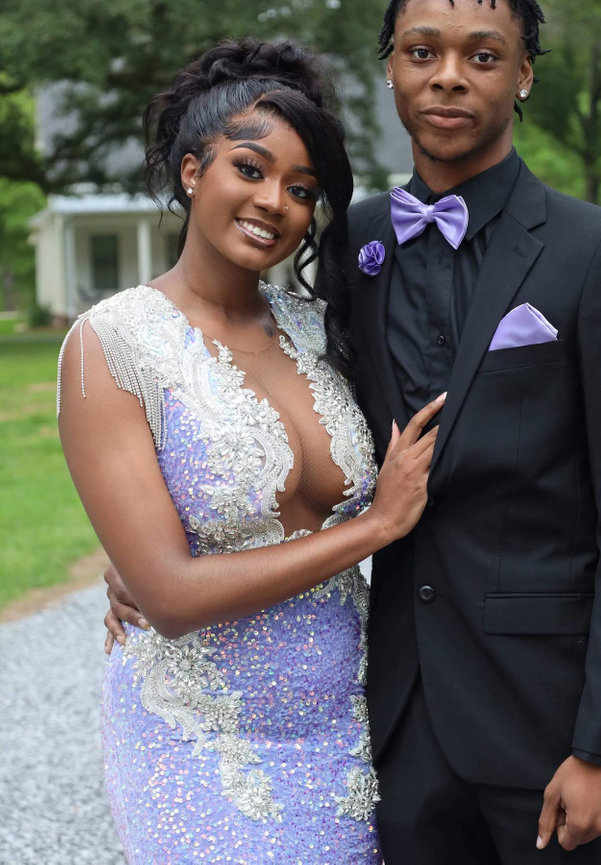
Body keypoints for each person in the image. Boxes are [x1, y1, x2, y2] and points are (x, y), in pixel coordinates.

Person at [105, 1, 601, 862]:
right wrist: (145, 538)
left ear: (522, 75)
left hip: (548, 721)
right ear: (393, 68)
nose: (449, 73)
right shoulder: (352, 242)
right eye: (422, 50)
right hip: (392, 724)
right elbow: (264, 399)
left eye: (483, 55)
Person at [58, 38, 444, 865]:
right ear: (193, 171)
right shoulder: (114, 343)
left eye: (301, 189)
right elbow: (169, 594)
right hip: (199, 747)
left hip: (346, 736)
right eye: (250, 168)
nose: (275, 201)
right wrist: (373, 528)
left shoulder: (322, 330)